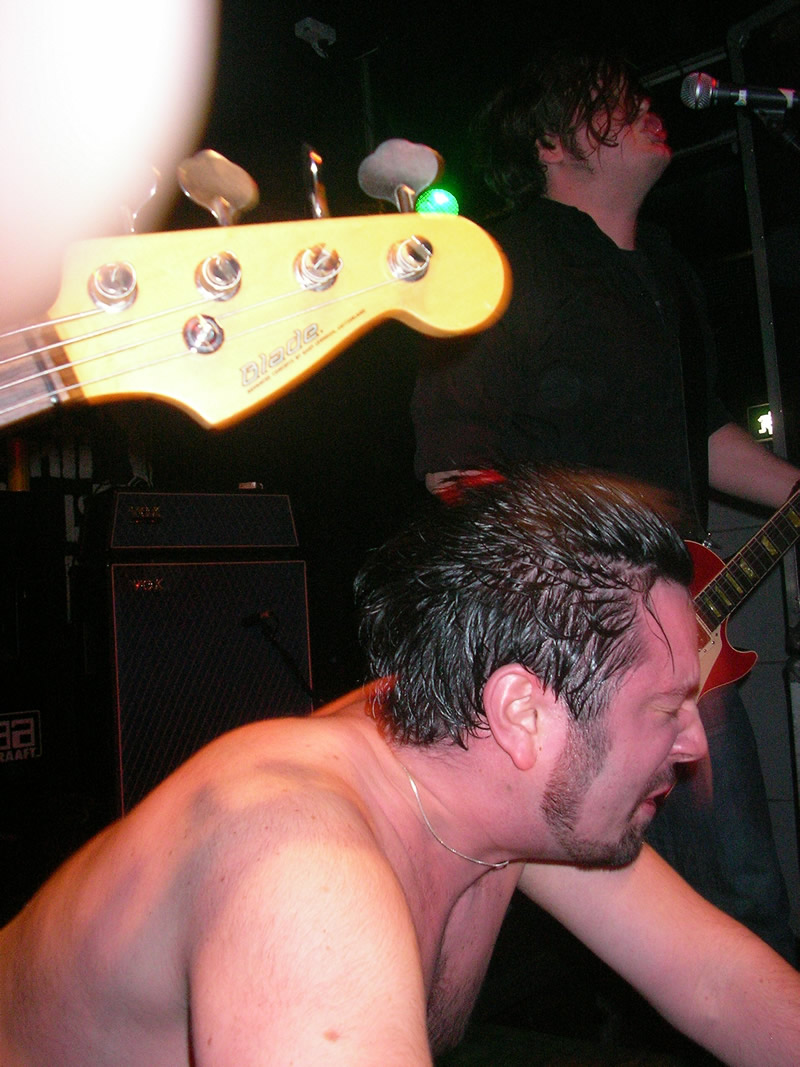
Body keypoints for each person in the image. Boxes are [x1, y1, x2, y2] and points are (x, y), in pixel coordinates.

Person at [0, 464, 799, 1066]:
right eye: (665, 708)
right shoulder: (301, 870)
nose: (695, 744)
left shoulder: (488, 766)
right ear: (524, 713)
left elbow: (717, 983)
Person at [411, 41, 800, 962]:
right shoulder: (504, 261)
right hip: (582, 646)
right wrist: (565, 611)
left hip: (687, 633)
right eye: (610, 100)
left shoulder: (667, 271)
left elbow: (702, 435)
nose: (643, 107)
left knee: (737, 896)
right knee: (710, 899)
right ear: (551, 143)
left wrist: (792, 488)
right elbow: (455, 464)